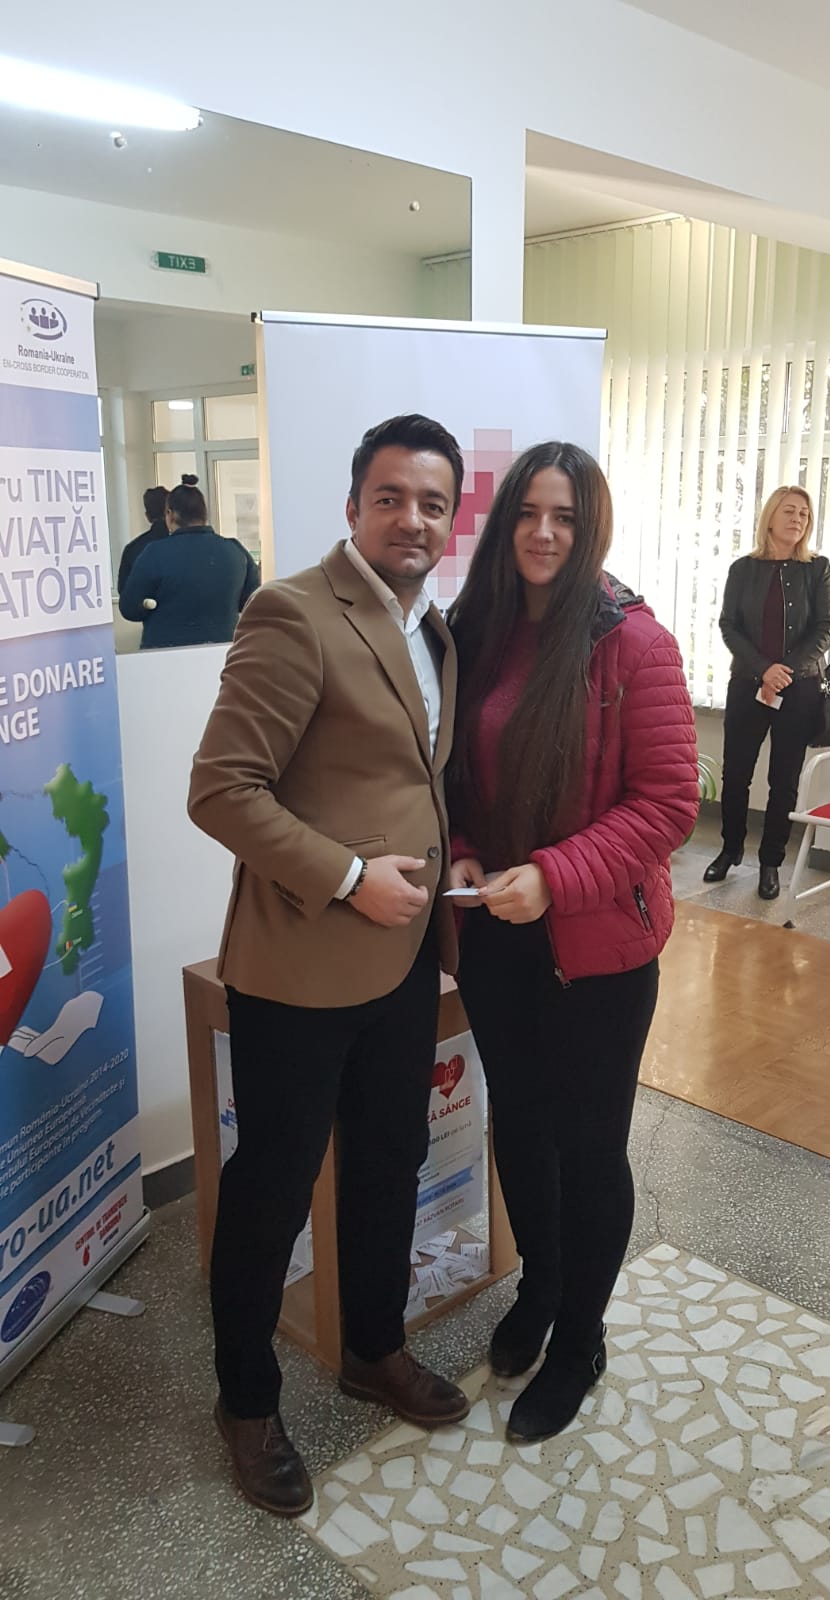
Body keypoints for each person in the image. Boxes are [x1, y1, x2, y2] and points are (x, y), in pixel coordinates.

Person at [188, 414, 470, 1518]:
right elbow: (221, 789)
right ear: (354, 506)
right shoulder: (294, 612)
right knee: (272, 1190)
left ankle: (372, 1349)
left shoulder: (430, 625)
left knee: (392, 1158)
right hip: (301, 966)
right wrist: (351, 876)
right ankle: (246, 1402)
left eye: (432, 503)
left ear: (452, 519)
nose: (412, 520)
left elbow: (410, 776)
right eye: (390, 497)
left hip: (402, 961)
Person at [447, 442, 698, 1444]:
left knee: (588, 1148)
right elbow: (452, 773)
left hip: (597, 950)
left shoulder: (635, 643)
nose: (543, 533)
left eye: (564, 516)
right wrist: (465, 852)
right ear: (504, 521)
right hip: (497, 937)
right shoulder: (481, 628)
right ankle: (540, 1289)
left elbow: (668, 805)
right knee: (519, 1122)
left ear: (591, 527)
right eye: (527, 513)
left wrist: (555, 875)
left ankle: (581, 1340)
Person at [704, 484, 830, 900]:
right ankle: (729, 850)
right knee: (736, 773)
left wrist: (784, 672)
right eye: (790, 511)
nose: (797, 519)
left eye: (804, 514)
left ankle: (770, 863)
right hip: (748, 683)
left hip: (800, 688)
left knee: (784, 778)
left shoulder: (817, 569)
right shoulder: (743, 569)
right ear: (771, 517)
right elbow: (729, 626)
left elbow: (825, 628)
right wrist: (764, 669)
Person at [118, 475, 259, 649]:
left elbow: (129, 608)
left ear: (169, 515)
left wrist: (150, 605)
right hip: (224, 651)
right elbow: (253, 602)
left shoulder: (154, 553)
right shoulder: (235, 551)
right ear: (205, 514)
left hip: (165, 654)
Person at [116, 484, 169, 593]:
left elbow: (124, 592)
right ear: (170, 513)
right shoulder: (184, 547)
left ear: (147, 516)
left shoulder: (132, 549)